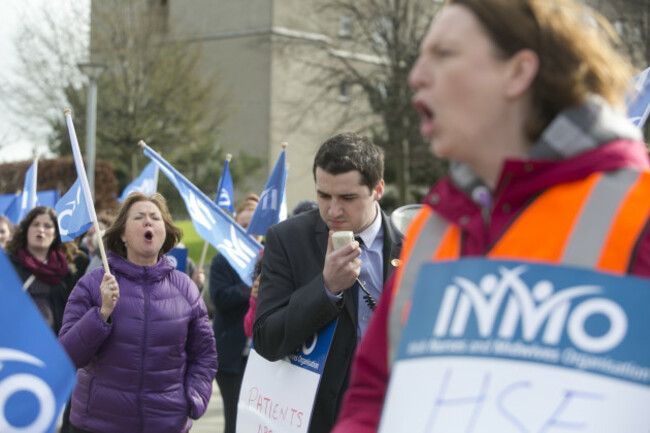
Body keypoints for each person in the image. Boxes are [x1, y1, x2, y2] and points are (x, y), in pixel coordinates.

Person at [332, 1, 650, 431]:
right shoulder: (433, 226)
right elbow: (375, 389)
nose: (416, 76)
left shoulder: (637, 211)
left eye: (444, 55)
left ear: (518, 72)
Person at [253, 132, 403, 433]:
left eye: (347, 198)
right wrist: (326, 289)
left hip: (393, 413)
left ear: (378, 189)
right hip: (317, 418)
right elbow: (267, 340)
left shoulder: (412, 248)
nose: (333, 211)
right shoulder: (287, 240)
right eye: (324, 195)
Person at [58, 192, 217, 433]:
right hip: (99, 425)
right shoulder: (93, 283)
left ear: (165, 232)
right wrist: (101, 315)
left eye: (155, 217)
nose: (148, 222)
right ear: (122, 234)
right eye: (139, 217)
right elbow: (67, 356)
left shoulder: (185, 288)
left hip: (165, 424)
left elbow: (204, 355)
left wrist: (194, 398)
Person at [209, 193, 261, 433]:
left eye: (256, 226)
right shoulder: (222, 260)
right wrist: (249, 291)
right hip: (231, 354)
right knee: (236, 416)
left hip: (261, 355)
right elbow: (219, 298)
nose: (250, 231)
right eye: (243, 226)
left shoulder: (274, 259)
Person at [6, 206, 76, 336]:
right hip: (16, 340)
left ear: (55, 234)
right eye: (36, 224)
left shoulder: (65, 272)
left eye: (48, 226)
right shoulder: (9, 265)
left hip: (54, 344)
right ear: (26, 230)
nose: (41, 229)